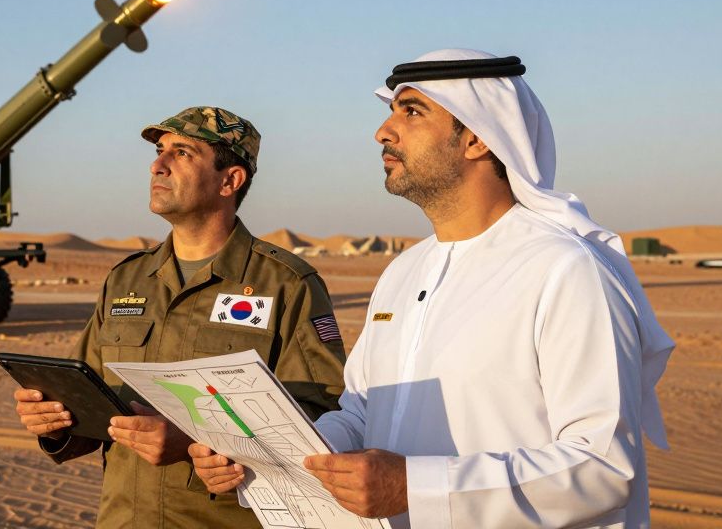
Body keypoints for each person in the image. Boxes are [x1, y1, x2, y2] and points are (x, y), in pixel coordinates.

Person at [191, 51, 674, 528]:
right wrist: (270, 457)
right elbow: (361, 411)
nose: (383, 132)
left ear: (478, 139)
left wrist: (413, 487)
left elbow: (605, 468)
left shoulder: (565, 269)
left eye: (413, 111)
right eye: (390, 112)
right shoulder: (403, 272)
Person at [13, 106, 348, 528]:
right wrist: (56, 422)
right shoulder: (127, 279)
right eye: (159, 150)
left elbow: (326, 423)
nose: (158, 165)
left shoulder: (285, 284)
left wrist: (196, 442)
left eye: (183, 153)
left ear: (230, 180)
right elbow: (96, 401)